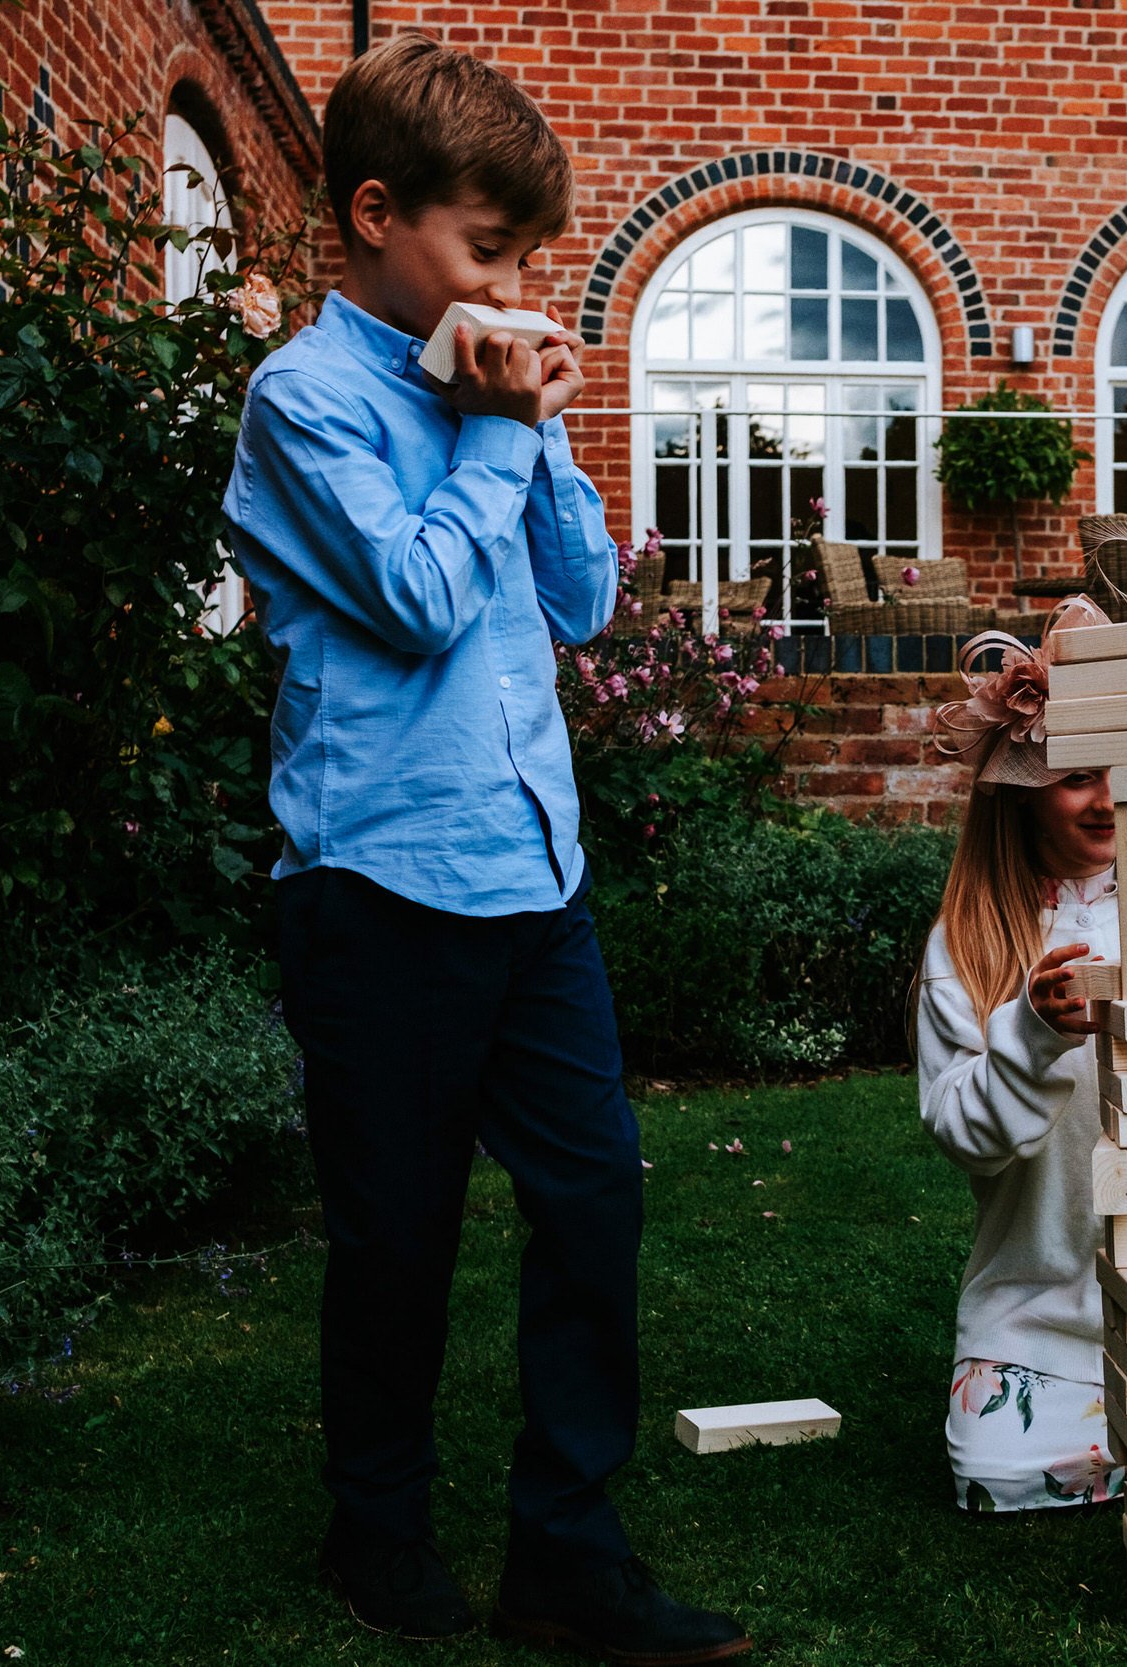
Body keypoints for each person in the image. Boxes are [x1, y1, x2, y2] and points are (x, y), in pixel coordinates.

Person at [221, 33, 748, 1662]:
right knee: (400, 1233)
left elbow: (577, 604)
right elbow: (423, 599)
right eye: (487, 251)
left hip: (537, 881)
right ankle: (375, 1527)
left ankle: (565, 1552)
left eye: (528, 258)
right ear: (375, 216)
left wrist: (538, 429)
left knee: (593, 1202)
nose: (513, 285)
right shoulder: (304, 403)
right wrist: (495, 433)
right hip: (378, 886)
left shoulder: (482, 393)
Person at [915, 606, 1127, 1513]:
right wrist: (1033, 1032)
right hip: (1033, 1316)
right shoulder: (966, 943)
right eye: (1079, 777)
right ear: (1023, 790)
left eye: (1122, 770)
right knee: (999, 1478)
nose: (1109, 798)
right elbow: (967, 1137)